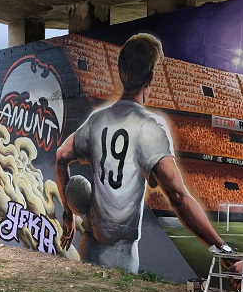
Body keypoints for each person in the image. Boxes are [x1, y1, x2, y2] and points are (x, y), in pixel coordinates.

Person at [55, 33, 231, 273]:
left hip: (90, 246)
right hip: (122, 254)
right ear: (150, 77)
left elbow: (61, 156)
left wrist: (67, 212)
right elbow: (178, 197)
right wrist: (221, 248)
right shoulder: (150, 126)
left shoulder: (96, 121)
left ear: (120, 72)